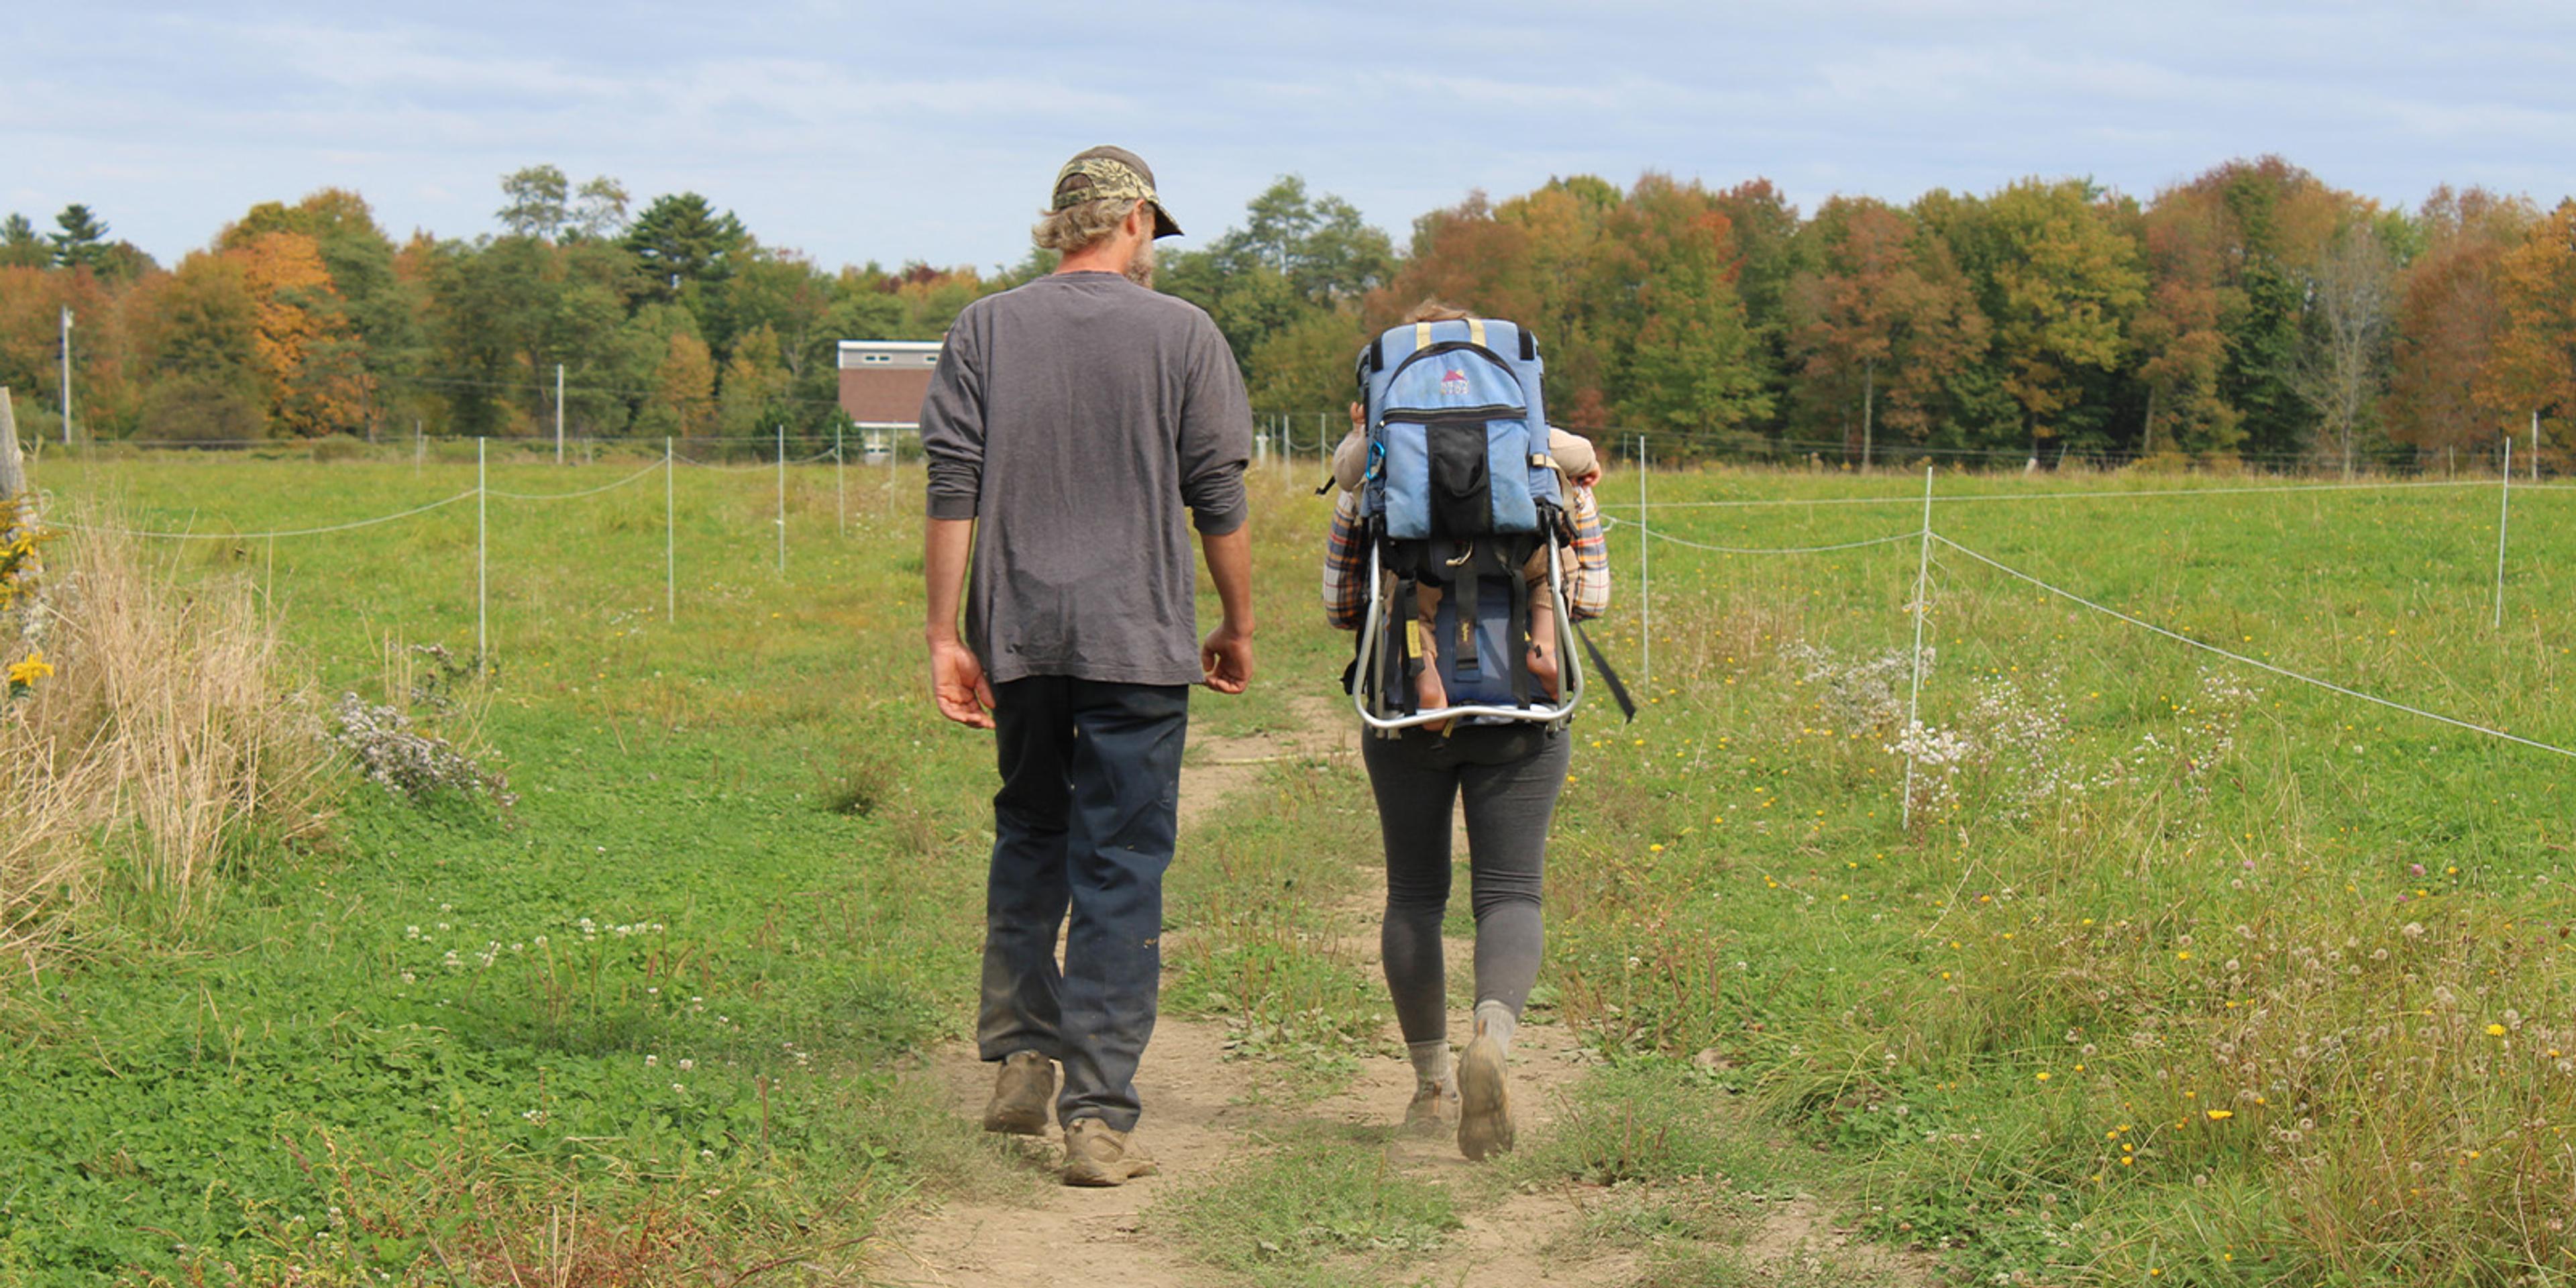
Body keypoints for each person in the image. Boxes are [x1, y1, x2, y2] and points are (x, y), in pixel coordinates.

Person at [920, 145, 1256, 1187]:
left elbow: (952, 487)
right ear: (1138, 221)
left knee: (1030, 830)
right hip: (1139, 639)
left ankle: (1023, 1052)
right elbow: (1219, 495)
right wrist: (1238, 620)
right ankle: (1099, 1118)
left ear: (1063, 222)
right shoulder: (1186, 334)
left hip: (1021, 633)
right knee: (1121, 868)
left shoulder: (983, 328)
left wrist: (945, 634)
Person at [1320, 311, 1608, 1159]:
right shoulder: (1543, 457)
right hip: (1523, 697)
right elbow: (1590, 597)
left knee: (1414, 893)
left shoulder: (1367, 470)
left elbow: (1342, 606)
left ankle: (1431, 1086)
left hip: (1407, 707)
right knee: (1511, 891)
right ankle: (1494, 1037)